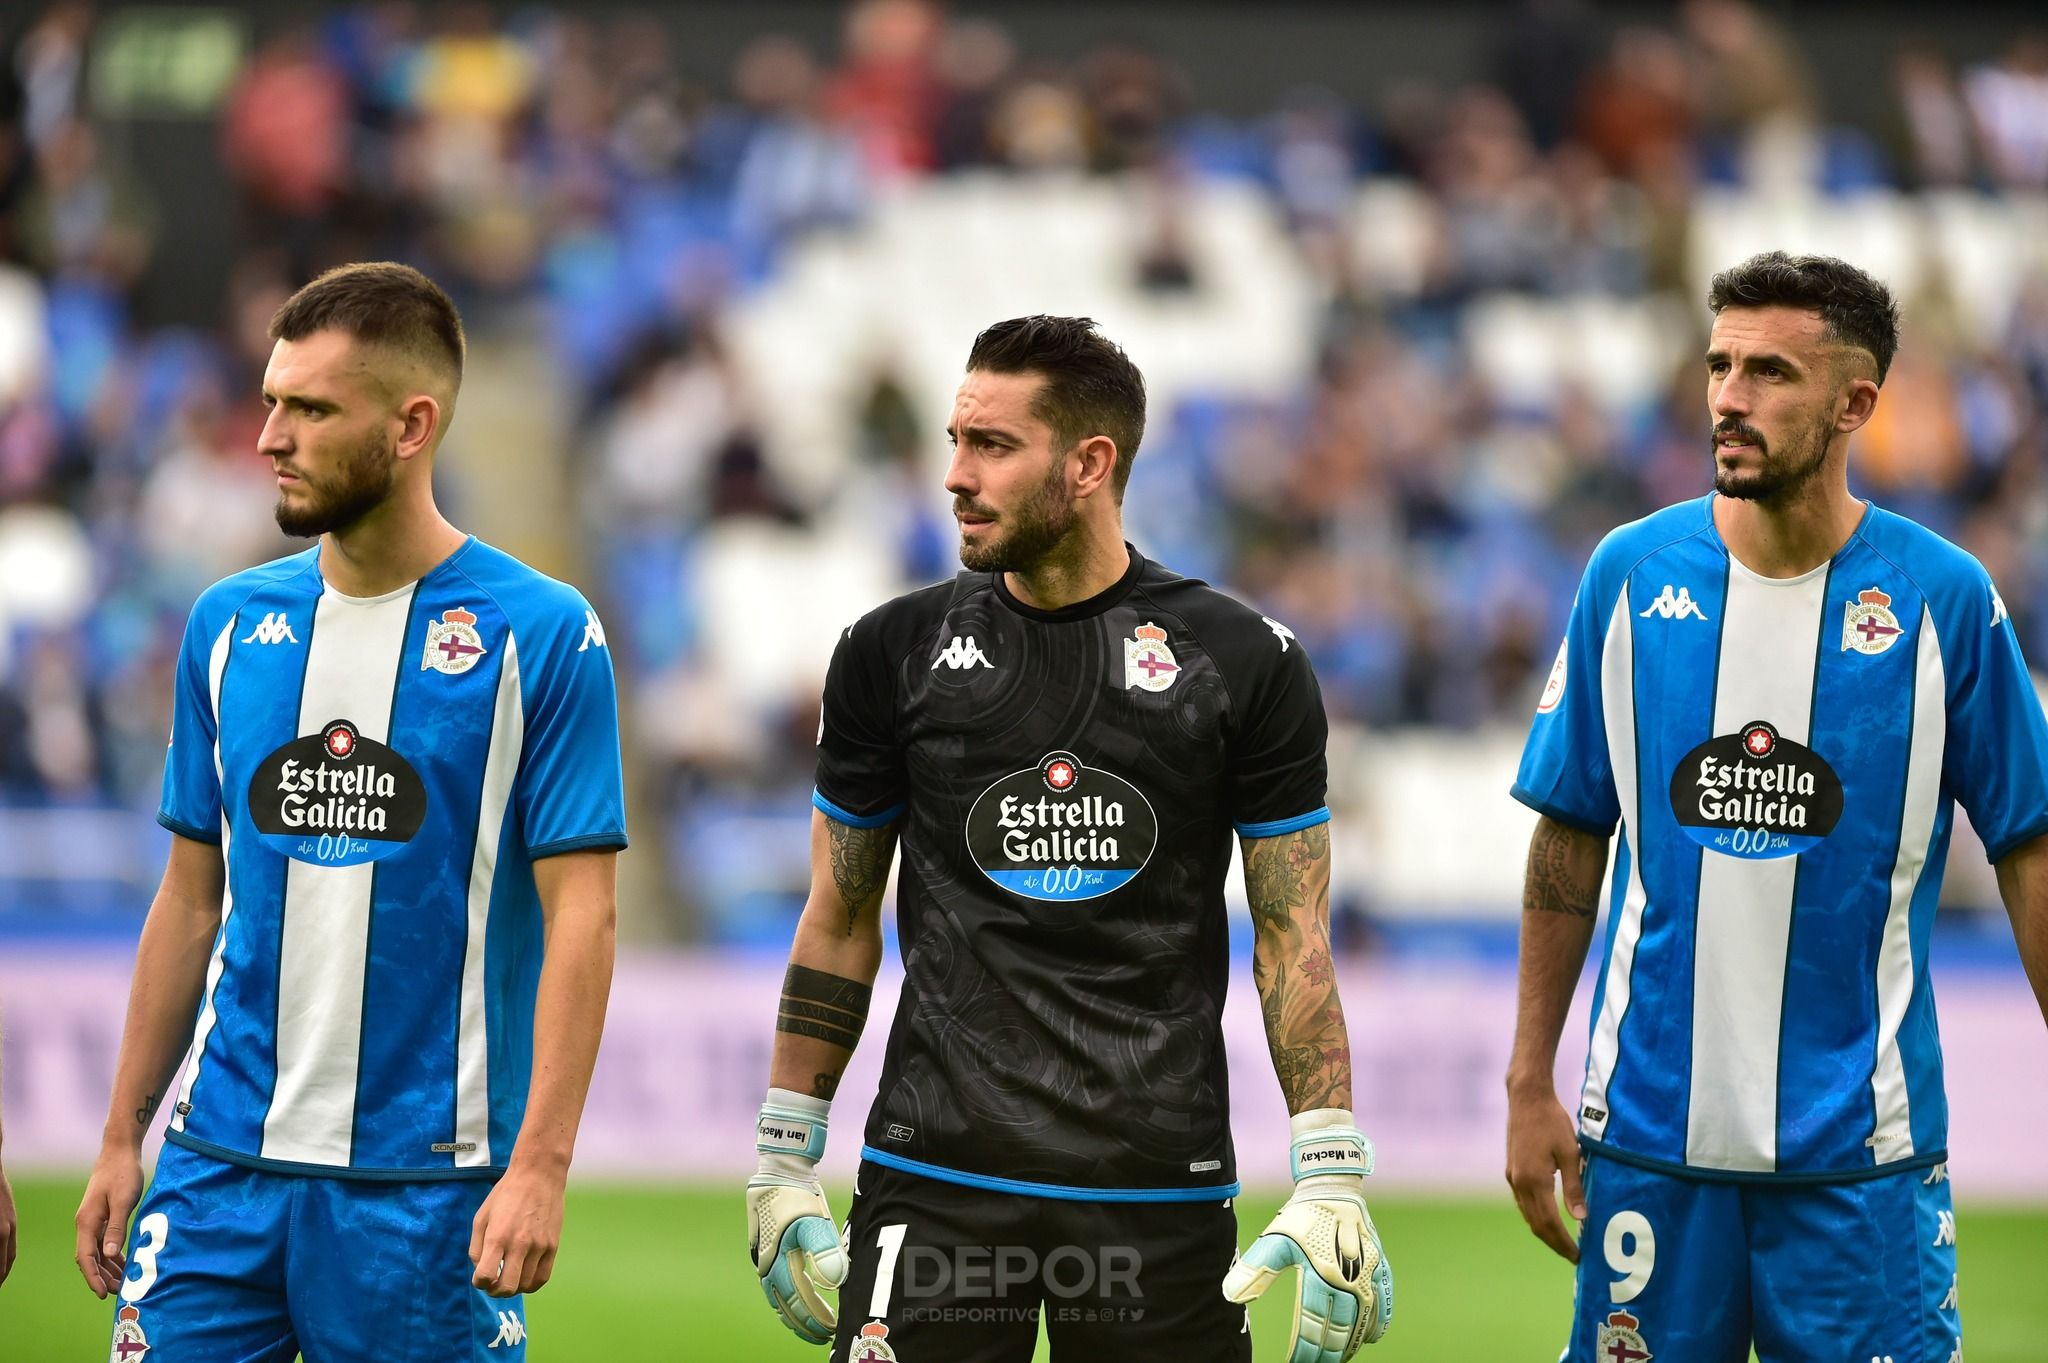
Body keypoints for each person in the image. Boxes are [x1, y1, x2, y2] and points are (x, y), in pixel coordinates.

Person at [745, 315, 1393, 1363]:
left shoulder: (1242, 662)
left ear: (1090, 463)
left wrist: (1327, 1166)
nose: (955, 474)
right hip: (936, 1179)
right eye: (954, 439)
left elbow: (1291, 932)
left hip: (1153, 1188)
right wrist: (784, 1151)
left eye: (992, 445)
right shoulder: (888, 652)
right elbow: (838, 913)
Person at [72, 262, 627, 1362]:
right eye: (271, 399)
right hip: (218, 1169)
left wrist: (540, 1167)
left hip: (423, 1190)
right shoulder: (228, 625)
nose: (270, 434)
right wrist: (119, 1135)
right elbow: (189, 902)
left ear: (411, 424)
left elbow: (583, 919)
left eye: (310, 408)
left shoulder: (540, 634)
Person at [1505, 250, 2048, 1363]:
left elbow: (2027, 848)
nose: (1726, 398)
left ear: (1854, 402)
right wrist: (1526, 1081)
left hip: (1863, 1158)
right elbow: (1568, 837)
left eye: (1767, 373)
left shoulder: (1942, 601)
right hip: (1653, 1147)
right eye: (1717, 366)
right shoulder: (1624, 573)